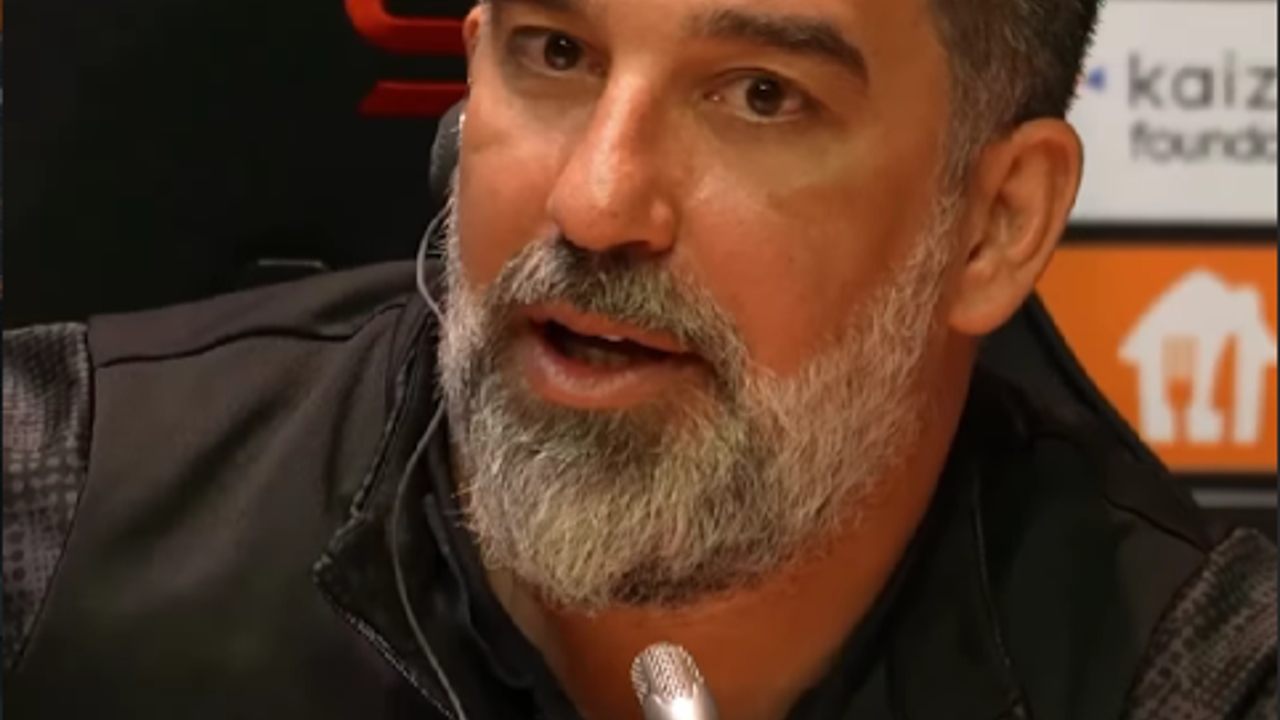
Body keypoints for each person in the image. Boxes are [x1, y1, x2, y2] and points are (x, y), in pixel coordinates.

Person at [3, 0, 1275, 717]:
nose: (597, 202)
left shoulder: (1193, 684)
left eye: (760, 95)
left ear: (993, 224)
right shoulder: (50, 508)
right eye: (555, 55)